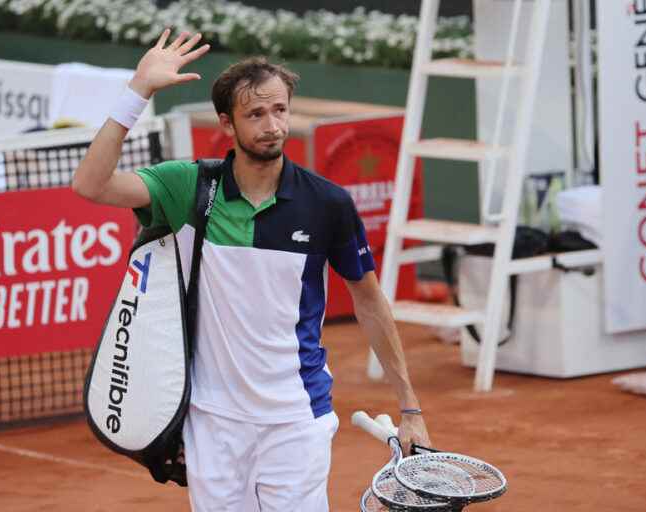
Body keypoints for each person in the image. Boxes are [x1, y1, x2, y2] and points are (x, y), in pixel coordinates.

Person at [72, 29, 430, 512]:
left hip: (296, 417)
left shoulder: (327, 203)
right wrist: (138, 92)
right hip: (212, 421)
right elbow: (91, 185)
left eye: (280, 110)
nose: (272, 125)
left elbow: (369, 300)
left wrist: (410, 406)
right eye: (255, 114)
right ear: (227, 123)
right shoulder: (191, 188)